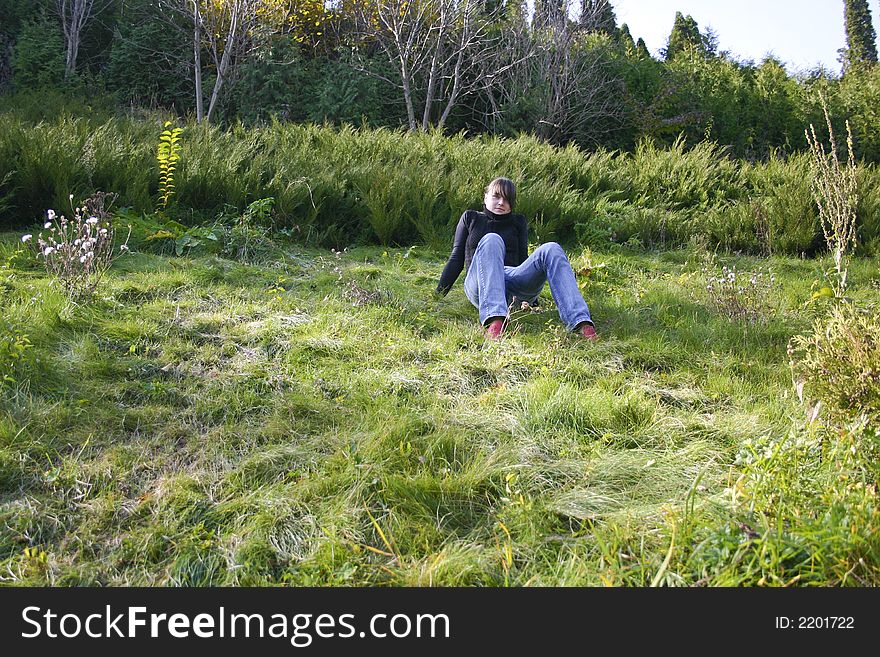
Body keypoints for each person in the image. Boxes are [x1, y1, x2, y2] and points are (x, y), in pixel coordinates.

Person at [436, 177, 597, 340]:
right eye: (496, 196)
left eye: (506, 199)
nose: (500, 202)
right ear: (485, 197)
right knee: (492, 239)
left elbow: (523, 261)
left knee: (552, 248)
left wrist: (533, 302)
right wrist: (439, 294)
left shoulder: (518, 221)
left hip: (512, 281)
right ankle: (496, 322)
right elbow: (456, 257)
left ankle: (581, 323)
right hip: (480, 282)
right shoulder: (471, 217)